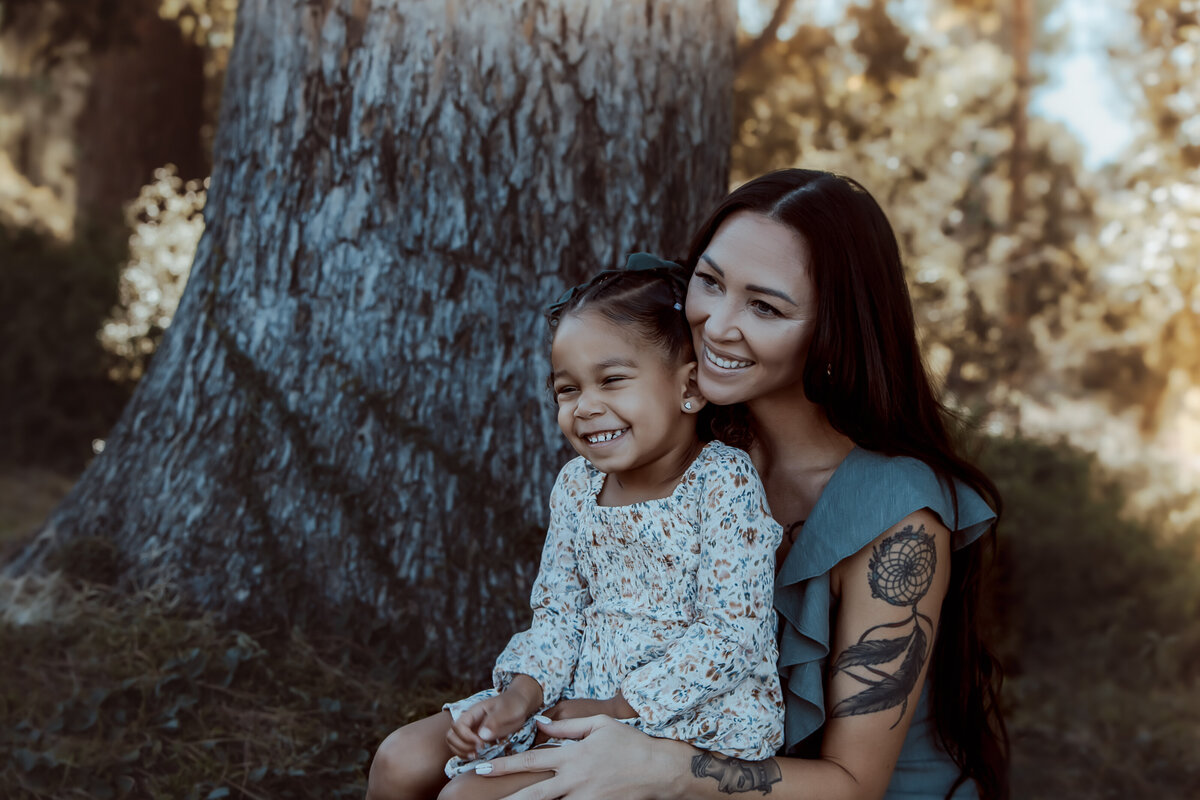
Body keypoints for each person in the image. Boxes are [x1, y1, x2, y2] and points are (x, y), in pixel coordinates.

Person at [472, 169, 1009, 800]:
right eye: (710, 282)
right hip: (675, 745)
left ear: (830, 329)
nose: (718, 325)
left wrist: (664, 769)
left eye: (765, 307)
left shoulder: (897, 515)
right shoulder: (693, 445)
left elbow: (854, 786)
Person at [366, 258, 786, 800]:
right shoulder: (576, 485)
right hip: (577, 691)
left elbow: (731, 636)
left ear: (689, 388)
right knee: (399, 759)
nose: (586, 408)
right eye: (567, 390)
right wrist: (520, 695)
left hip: (688, 715)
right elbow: (560, 614)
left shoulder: (723, 482)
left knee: (467, 797)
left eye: (611, 380)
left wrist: (618, 707)